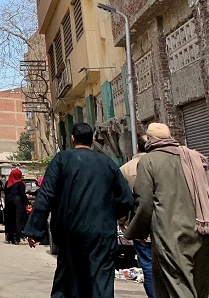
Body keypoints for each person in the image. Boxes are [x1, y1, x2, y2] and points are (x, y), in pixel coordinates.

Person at [125, 122, 209, 298]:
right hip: (204, 237)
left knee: (179, 289)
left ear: (150, 140)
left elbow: (144, 203)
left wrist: (137, 231)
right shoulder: (193, 158)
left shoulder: (148, 162)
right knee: (199, 292)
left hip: (171, 239)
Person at [23, 122, 134, 298]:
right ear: (92, 139)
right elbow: (127, 199)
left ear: (73, 138)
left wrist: (34, 230)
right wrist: (108, 215)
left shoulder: (61, 160)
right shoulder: (108, 163)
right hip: (101, 234)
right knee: (101, 282)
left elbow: (46, 194)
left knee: (68, 281)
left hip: (70, 232)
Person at [120, 135, 154, 298]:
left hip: (141, 228)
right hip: (168, 227)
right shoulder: (166, 163)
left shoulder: (126, 169)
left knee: (148, 267)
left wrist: (124, 222)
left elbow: (121, 200)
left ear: (138, 148)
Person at [4, 168, 29, 245]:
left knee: (10, 220)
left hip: (8, 203)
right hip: (17, 204)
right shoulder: (20, 184)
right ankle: (18, 239)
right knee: (18, 220)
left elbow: (5, 193)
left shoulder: (7, 183)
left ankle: (10, 238)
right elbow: (22, 195)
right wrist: (27, 203)